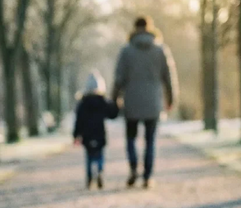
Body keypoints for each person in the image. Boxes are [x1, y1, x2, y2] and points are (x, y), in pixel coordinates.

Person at [112, 16, 179, 189]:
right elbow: (169, 77)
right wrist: (171, 99)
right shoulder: (161, 50)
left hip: (131, 102)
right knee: (150, 141)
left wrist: (114, 99)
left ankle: (134, 168)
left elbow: (119, 79)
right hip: (153, 103)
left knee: (131, 139)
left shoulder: (126, 51)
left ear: (134, 29)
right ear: (150, 27)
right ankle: (148, 176)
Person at [73, 71, 119, 189]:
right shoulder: (102, 101)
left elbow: (78, 121)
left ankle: (89, 177)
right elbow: (113, 114)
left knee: (89, 156)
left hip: (87, 135)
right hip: (100, 134)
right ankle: (99, 171)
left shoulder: (82, 103)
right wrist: (117, 104)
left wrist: (76, 135)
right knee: (99, 155)